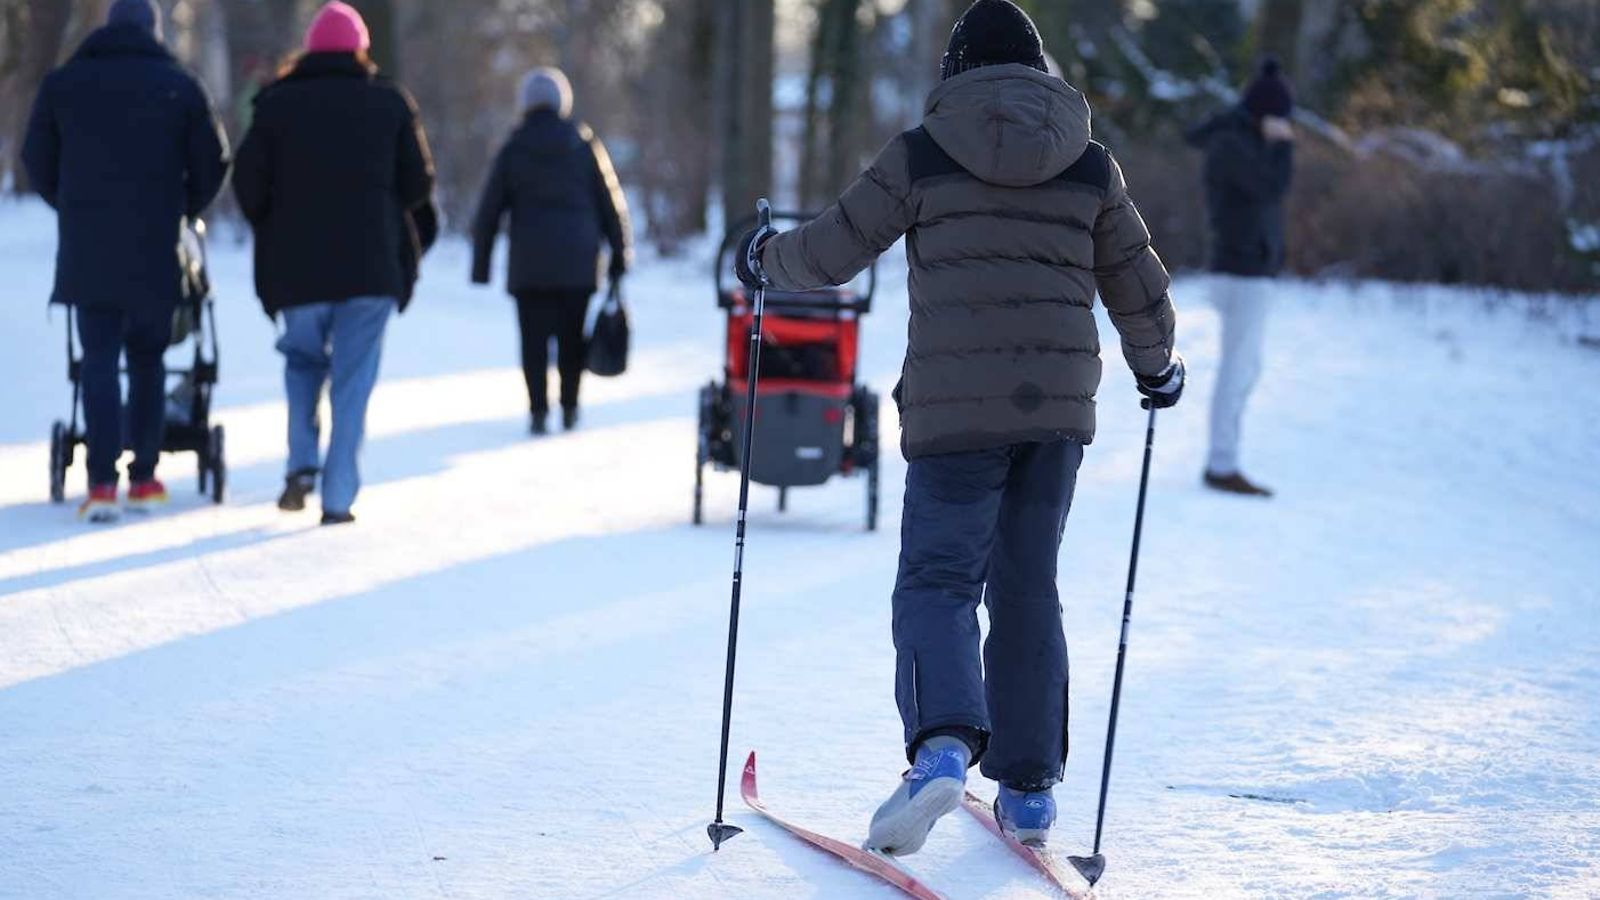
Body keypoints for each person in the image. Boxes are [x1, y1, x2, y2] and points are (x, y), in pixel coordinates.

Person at [733, 0, 1183, 854]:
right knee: (1028, 586)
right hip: (1056, 412)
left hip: (952, 409)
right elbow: (1136, 282)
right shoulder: (1089, 163)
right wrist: (1156, 367)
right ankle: (1030, 794)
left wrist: (763, 258)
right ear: (1039, 71)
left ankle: (942, 747)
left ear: (956, 73)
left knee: (940, 581)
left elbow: (832, 250)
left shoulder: (924, 153)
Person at [22, 0, 230, 523]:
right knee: (147, 359)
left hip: (88, 249)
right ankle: (144, 477)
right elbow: (214, 161)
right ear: (153, 32)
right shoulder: (180, 87)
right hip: (155, 248)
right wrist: (183, 208)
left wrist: (70, 203)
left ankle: (99, 483)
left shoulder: (64, 84)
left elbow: (35, 159)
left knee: (97, 361)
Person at [233, 1, 435, 526]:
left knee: (302, 361)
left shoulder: (275, 104)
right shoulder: (389, 103)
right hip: (370, 270)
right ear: (361, 49)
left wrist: (276, 222)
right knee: (353, 378)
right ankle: (338, 497)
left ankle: (301, 463)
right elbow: (418, 187)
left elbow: (248, 188)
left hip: (296, 270)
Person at [471, 67, 632, 435]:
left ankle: (539, 411)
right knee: (572, 337)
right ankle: (571, 407)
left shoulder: (514, 147)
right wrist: (621, 256)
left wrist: (481, 265)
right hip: (578, 261)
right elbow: (612, 205)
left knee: (533, 341)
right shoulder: (583, 143)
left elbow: (489, 209)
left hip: (529, 265)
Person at [1185, 58, 1296, 497]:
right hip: (1240, 269)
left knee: (1247, 367)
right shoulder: (1232, 145)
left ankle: (1224, 457)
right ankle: (1221, 463)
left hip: (1253, 268)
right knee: (1236, 369)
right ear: (1265, 113)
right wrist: (1283, 147)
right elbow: (1272, 189)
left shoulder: (1244, 140)